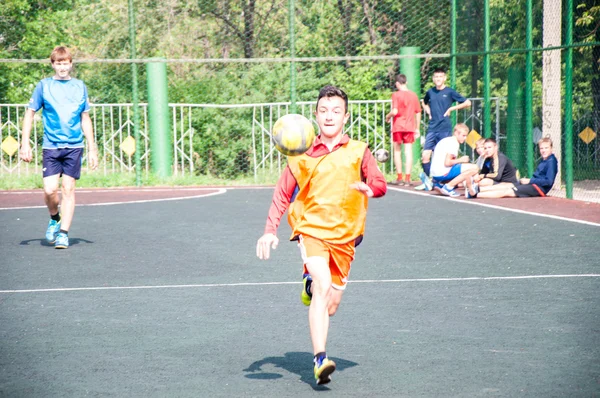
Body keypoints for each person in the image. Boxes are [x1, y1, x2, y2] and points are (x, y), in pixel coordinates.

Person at [255, 85, 387, 385]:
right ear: (315, 115)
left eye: (336, 111)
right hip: (311, 229)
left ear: (346, 116)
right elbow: (281, 194)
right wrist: (269, 231)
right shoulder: (300, 154)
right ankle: (320, 359)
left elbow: (380, 182)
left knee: (330, 304)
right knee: (323, 283)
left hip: (347, 236)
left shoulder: (359, 151)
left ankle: (310, 285)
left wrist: (371, 188)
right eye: (324, 111)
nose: (329, 116)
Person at [19, 46, 98, 249]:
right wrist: (24, 142)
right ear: (53, 64)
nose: (62, 67)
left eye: (66, 63)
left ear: (71, 64)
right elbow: (29, 113)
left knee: (68, 188)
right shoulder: (44, 86)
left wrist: (92, 148)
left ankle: (63, 233)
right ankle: (55, 217)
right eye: (58, 63)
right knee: (49, 190)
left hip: (74, 146)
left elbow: (85, 118)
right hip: (51, 146)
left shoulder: (79, 86)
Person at [417, 67, 471, 190]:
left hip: (444, 128)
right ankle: (429, 180)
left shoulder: (450, 92)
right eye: (436, 77)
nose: (438, 79)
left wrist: (452, 109)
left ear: (444, 78)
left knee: (446, 157)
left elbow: (467, 102)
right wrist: (429, 112)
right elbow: (424, 102)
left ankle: (449, 180)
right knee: (426, 155)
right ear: (433, 79)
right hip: (432, 128)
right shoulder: (430, 92)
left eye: (440, 77)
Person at [466, 137, 558, 199]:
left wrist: (530, 181)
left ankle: (475, 194)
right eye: (542, 148)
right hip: (533, 184)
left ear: (551, 148)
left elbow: (548, 181)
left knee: (508, 191)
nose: (543, 150)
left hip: (539, 189)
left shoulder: (551, 162)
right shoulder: (544, 160)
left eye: (546, 148)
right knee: (507, 186)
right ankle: (477, 189)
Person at [385, 74, 421, 186]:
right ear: (406, 82)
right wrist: (417, 128)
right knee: (408, 151)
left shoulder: (396, 95)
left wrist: (388, 116)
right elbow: (418, 112)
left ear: (397, 83)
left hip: (398, 126)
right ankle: (408, 178)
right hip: (410, 126)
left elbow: (395, 111)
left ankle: (399, 176)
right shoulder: (413, 95)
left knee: (397, 150)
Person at [429, 123, 479, 197]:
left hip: (434, 174)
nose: (465, 138)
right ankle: (448, 187)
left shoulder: (446, 140)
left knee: (466, 170)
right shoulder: (454, 143)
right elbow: (447, 163)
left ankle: (441, 184)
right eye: (463, 135)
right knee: (475, 168)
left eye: (466, 136)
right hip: (442, 173)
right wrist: (461, 160)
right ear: (456, 133)